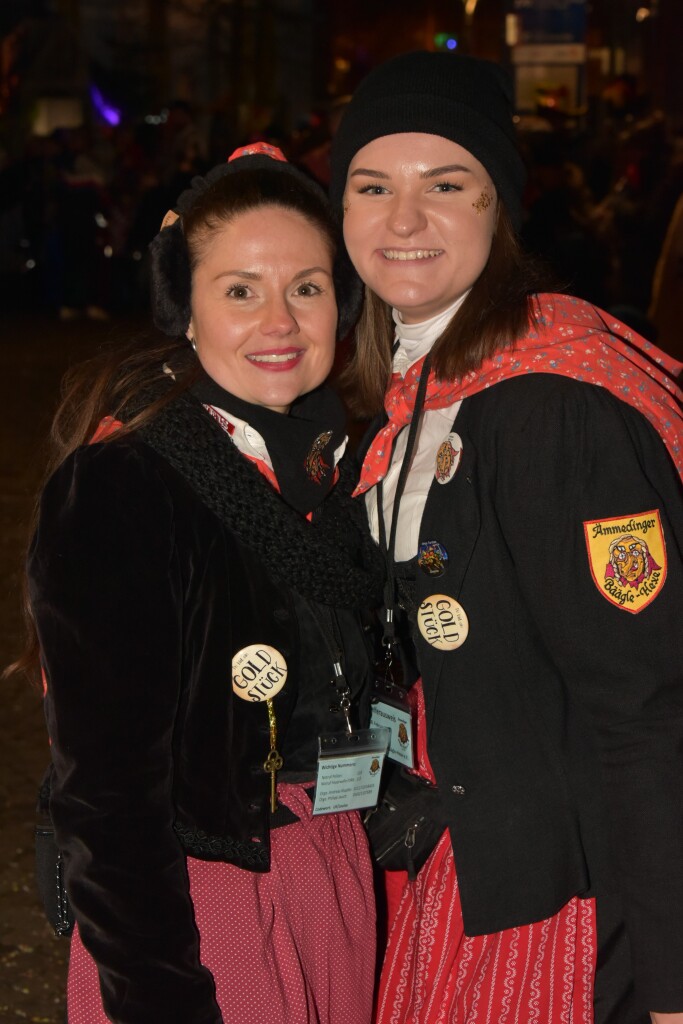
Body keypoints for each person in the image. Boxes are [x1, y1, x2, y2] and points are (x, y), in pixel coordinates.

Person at [328, 52, 683, 1024]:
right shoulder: (402, 392)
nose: (402, 221)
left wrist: (670, 979)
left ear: (499, 208)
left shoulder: (550, 406)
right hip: (452, 866)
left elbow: (645, 705)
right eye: (372, 187)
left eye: (445, 187)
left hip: (567, 913)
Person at [26, 142, 385, 1024]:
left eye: (305, 286)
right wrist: (157, 991)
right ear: (184, 312)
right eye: (239, 290)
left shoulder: (342, 471)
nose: (280, 320)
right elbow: (105, 796)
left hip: (334, 874)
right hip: (204, 903)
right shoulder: (125, 485)